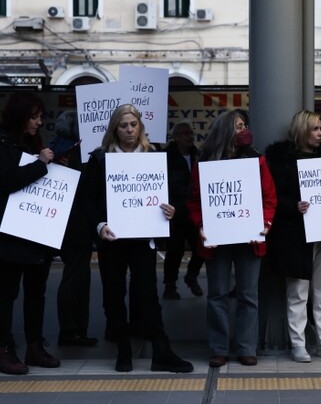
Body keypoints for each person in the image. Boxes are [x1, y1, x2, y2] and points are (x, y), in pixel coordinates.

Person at [81, 104, 193, 373]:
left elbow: (178, 190)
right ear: (114, 129)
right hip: (113, 237)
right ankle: (123, 351)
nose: (129, 130)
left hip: (144, 236)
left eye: (133, 124)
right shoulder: (100, 159)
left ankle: (161, 351)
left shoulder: (156, 156)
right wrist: (99, 225)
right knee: (114, 293)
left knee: (147, 292)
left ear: (140, 126)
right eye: (123, 125)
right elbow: (87, 198)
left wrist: (172, 207)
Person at [187, 110, 276, 367]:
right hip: (217, 239)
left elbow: (269, 198)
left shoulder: (257, 160)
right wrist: (201, 225)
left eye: (244, 125)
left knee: (248, 295)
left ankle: (246, 347)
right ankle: (219, 348)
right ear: (226, 130)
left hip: (250, 239)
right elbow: (194, 201)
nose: (244, 130)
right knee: (217, 295)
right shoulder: (204, 162)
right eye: (238, 126)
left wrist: (265, 224)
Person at [265, 110, 321, 363]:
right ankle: (299, 344)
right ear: (302, 130)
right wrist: (294, 206)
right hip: (296, 235)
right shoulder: (281, 160)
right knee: (298, 292)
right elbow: (273, 197)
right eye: (315, 129)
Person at [0, 91, 60, 375]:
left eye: (40, 117)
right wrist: (41, 165)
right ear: (19, 117)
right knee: (7, 293)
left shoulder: (32, 143)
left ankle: (34, 346)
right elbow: (9, 181)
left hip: (36, 231)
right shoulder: (4, 143)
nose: (38, 123)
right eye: (33, 117)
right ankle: (5, 348)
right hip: (11, 234)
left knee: (37, 292)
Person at [49, 109, 98, 346]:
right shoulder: (75, 151)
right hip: (76, 221)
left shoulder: (55, 146)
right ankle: (71, 329)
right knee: (76, 275)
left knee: (76, 272)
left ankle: (75, 329)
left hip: (62, 220)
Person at [162, 121, 205, 300]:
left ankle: (192, 275)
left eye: (191, 133)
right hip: (175, 212)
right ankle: (170, 286)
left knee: (201, 246)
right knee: (175, 250)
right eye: (186, 133)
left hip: (195, 210)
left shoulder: (199, 154)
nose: (190, 136)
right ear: (176, 137)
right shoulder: (166, 156)